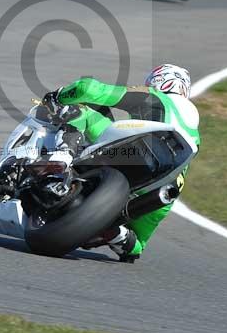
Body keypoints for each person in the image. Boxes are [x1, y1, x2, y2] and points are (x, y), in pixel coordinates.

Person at [43, 64, 200, 262]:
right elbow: (137, 250)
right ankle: (117, 233)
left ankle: (61, 156)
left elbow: (88, 88)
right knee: (135, 247)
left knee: (84, 106)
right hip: (160, 188)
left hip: (132, 152)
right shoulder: (194, 136)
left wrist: (57, 96)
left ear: (157, 81)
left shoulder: (153, 96)